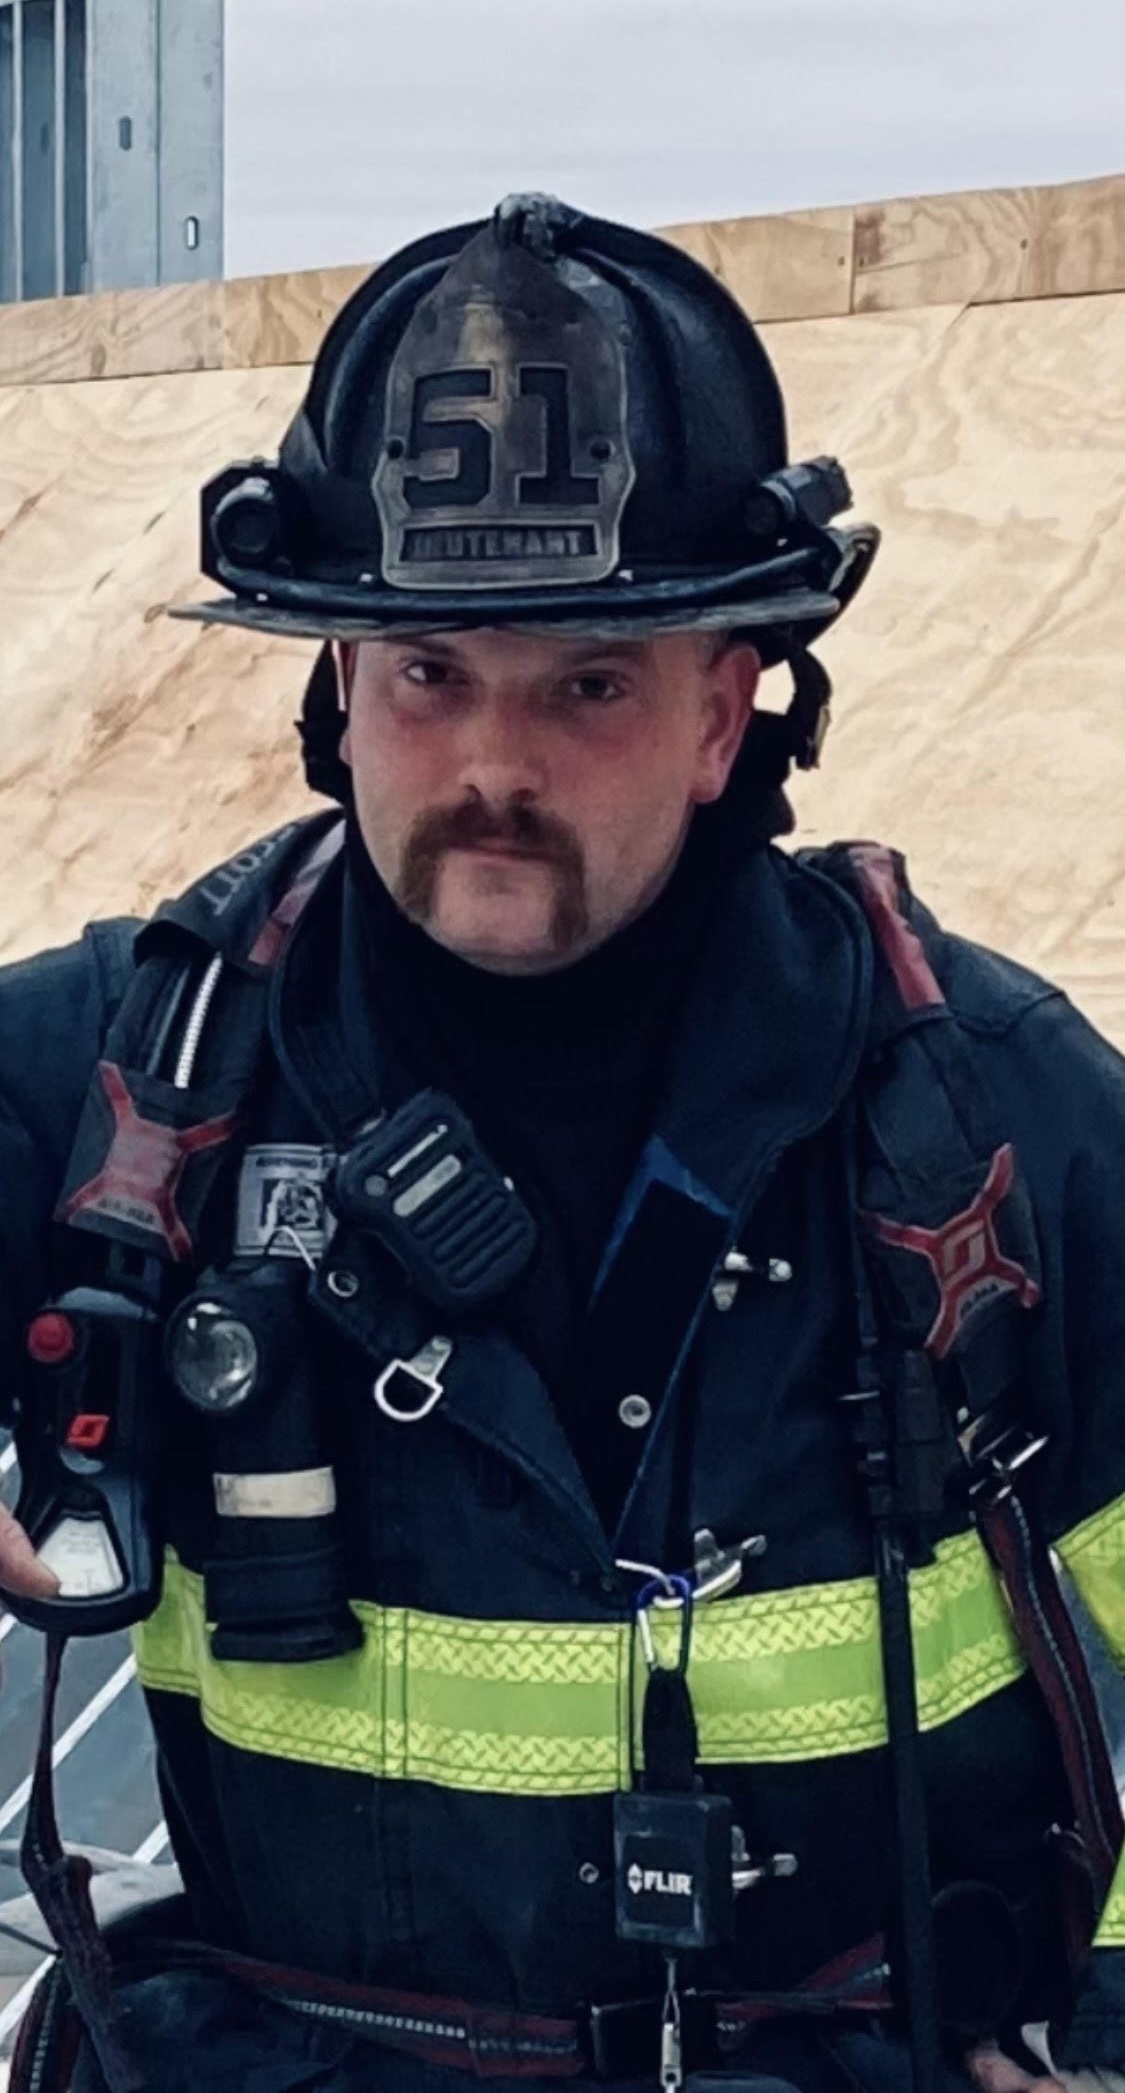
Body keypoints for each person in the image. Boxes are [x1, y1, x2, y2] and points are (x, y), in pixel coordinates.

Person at [1, 192, 1124, 2093]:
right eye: (429, 678)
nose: (492, 767)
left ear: (725, 709)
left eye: (586, 684)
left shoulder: (991, 1119)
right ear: (334, 694)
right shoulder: (126, 1081)